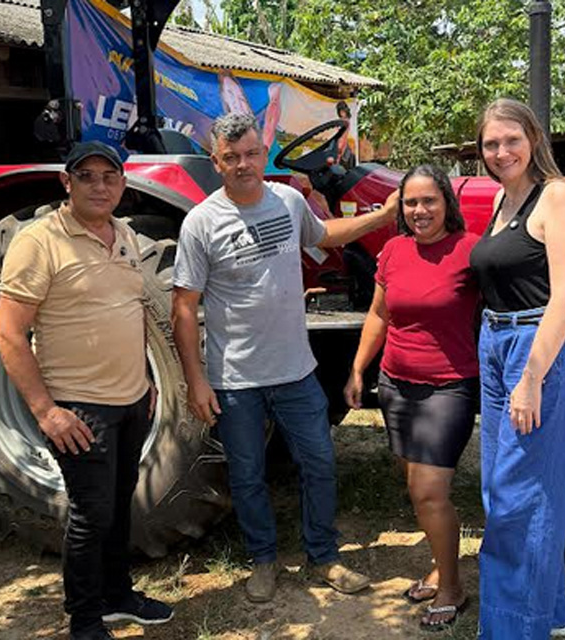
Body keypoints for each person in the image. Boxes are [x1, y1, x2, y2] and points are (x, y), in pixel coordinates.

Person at [171, 112, 399, 603]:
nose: (243, 164)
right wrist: (195, 380)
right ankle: (263, 560)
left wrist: (382, 218)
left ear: (263, 155)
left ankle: (324, 556)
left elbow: (325, 235)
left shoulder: (290, 201)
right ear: (216, 161)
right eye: (231, 157)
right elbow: (184, 309)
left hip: (296, 371)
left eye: (252, 154)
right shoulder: (200, 223)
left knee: (318, 463)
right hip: (236, 378)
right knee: (247, 475)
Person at [0, 141, 174, 640]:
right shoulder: (39, 241)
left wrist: (144, 380)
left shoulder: (125, 235)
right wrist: (46, 411)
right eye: (87, 176)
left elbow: (131, 309)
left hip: (131, 400)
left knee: (118, 504)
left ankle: (117, 596)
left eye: (109, 176)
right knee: (91, 514)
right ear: (66, 182)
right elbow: (7, 333)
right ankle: (86, 620)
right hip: (79, 407)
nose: (100, 186)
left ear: (122, 183)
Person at [468, 98, 565, 639]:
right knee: (504, 490)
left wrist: (531, 377)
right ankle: (544, 615)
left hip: (538, 348)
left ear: (534, 139)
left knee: (521, 498)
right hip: (497, 342)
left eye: (511, 140)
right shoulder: (502, 199)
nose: (501, 152)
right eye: (491, 144)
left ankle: (513, 631)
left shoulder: (557, 196)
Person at [343, 164, 479, 631]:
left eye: (429, 201)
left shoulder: (470, 251)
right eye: (411, 202)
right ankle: (442, 565)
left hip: (449, 386)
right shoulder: (394, 250)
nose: (420, 210)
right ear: (400, 208)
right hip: (396, 385)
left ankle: (452, 588)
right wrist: (358, 368)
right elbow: (379, 315)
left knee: (428, 492)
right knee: (420, 492)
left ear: (447, 203)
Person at [335, 101, 357, 171]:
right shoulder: (343, 121)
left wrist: (340, 148)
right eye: (340, 111)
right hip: (346, 145)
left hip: (346, 145)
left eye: (343, 111)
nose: (342, 113)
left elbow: (344, 136)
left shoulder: (345, 122)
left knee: (344, 167)